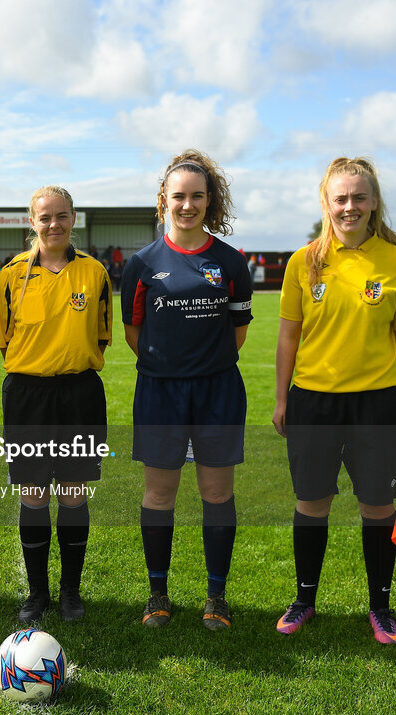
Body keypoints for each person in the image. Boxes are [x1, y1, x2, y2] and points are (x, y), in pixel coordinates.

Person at [272, 157, 396, 645]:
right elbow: (287, 338)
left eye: (359, 197)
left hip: (377, 404)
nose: (349, 207)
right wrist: (281, 400)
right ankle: (304, 599)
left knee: (378, 506)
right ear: (326, 203)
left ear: (374, 202)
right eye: (340, 198)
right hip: (313, 403)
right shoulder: (304, 261)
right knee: (312, 503)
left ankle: (380, 605)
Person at [120, 149, 253, 630]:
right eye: (179, 196)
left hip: (217, 391)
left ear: (210, 201)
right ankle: (158, 594)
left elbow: (237, 332)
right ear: (163, 200)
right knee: (160, 493)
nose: (188, 205)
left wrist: (204, 366)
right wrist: (168, 368)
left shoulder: (232, 262)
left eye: (197, 196)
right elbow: (135, 333)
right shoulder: (142, 264)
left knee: (217, 493)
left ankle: (216, 597)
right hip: (160, 393)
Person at [0, 186, 112, 623]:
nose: (54, 225)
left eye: (61, 216)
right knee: (34, 495)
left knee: (74, 495)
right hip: (27, 396)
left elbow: (100, 335)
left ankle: (71, 593)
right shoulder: (10, 275)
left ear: (73, 218)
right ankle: (37, 594)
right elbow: (4, 339)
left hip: (79, 394)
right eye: (45, 218)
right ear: (32, 222)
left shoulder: (96, 273)